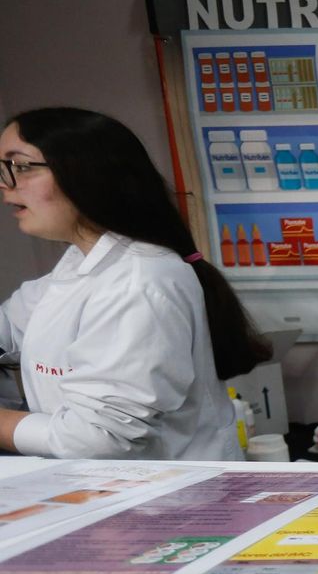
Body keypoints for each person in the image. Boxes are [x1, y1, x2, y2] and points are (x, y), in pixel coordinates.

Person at [0, 108, 269, 460]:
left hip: (163, 504)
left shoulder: (139, 280)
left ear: (84, 172)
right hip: (101, 493)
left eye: (20, 167)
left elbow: (97, 438)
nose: (6, 184)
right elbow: (12, 324)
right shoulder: (82, 264)